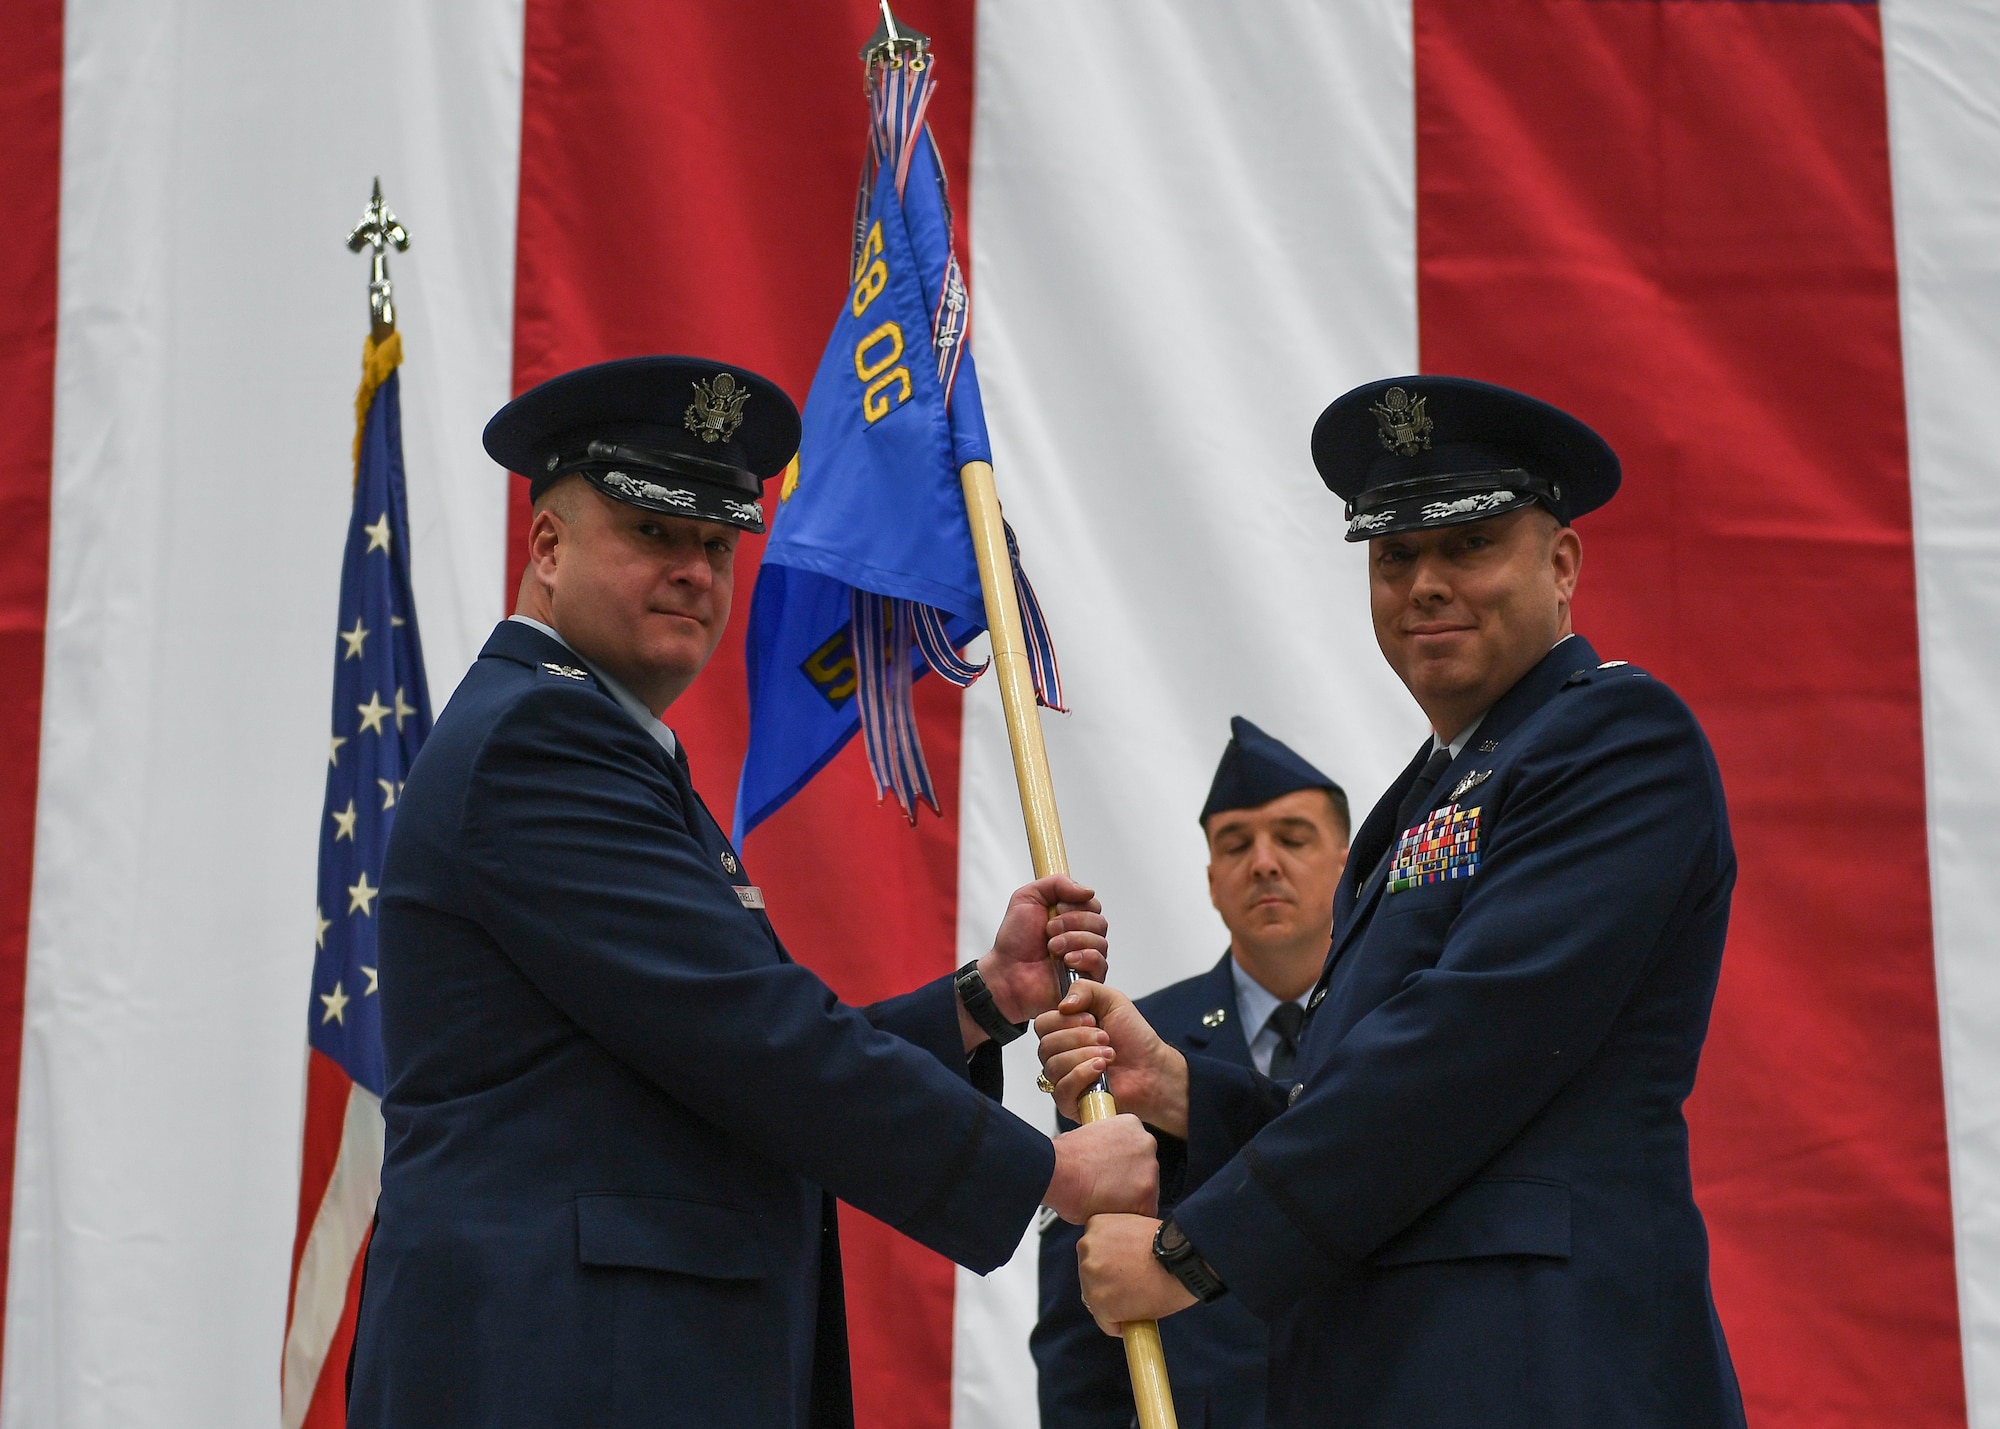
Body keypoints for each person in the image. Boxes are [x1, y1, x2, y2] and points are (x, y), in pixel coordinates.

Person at [347, 356, 1157, 1429]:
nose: (694, 569)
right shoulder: (540, 743)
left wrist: (979, 999)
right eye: (652, 530)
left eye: (716, 543)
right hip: (562, 1366)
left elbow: (698, 1066)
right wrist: (1044, 1169)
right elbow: (748, 1035)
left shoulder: (590, 740)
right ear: (546, 547)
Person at [1038, 376, 1745, 1428]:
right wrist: (1187, 1089)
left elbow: (1463, 1052)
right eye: (1393, 556)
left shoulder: (1616, 739)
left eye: (1466, 547)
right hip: (1400, 1367)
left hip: (1542, 1366)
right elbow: (1362, 1079)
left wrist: (1194, 1251)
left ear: (1561, 566)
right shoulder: (1421, 799)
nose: (1421, 584)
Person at [1033, 718, 1350, 1429]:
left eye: (1293, 838)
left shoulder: (1398, 1026)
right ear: (1210, 879)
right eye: (1236, 844)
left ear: (1346, 861)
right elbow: (1078, 1322)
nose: (1264, 862)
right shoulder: (1123, 1049)